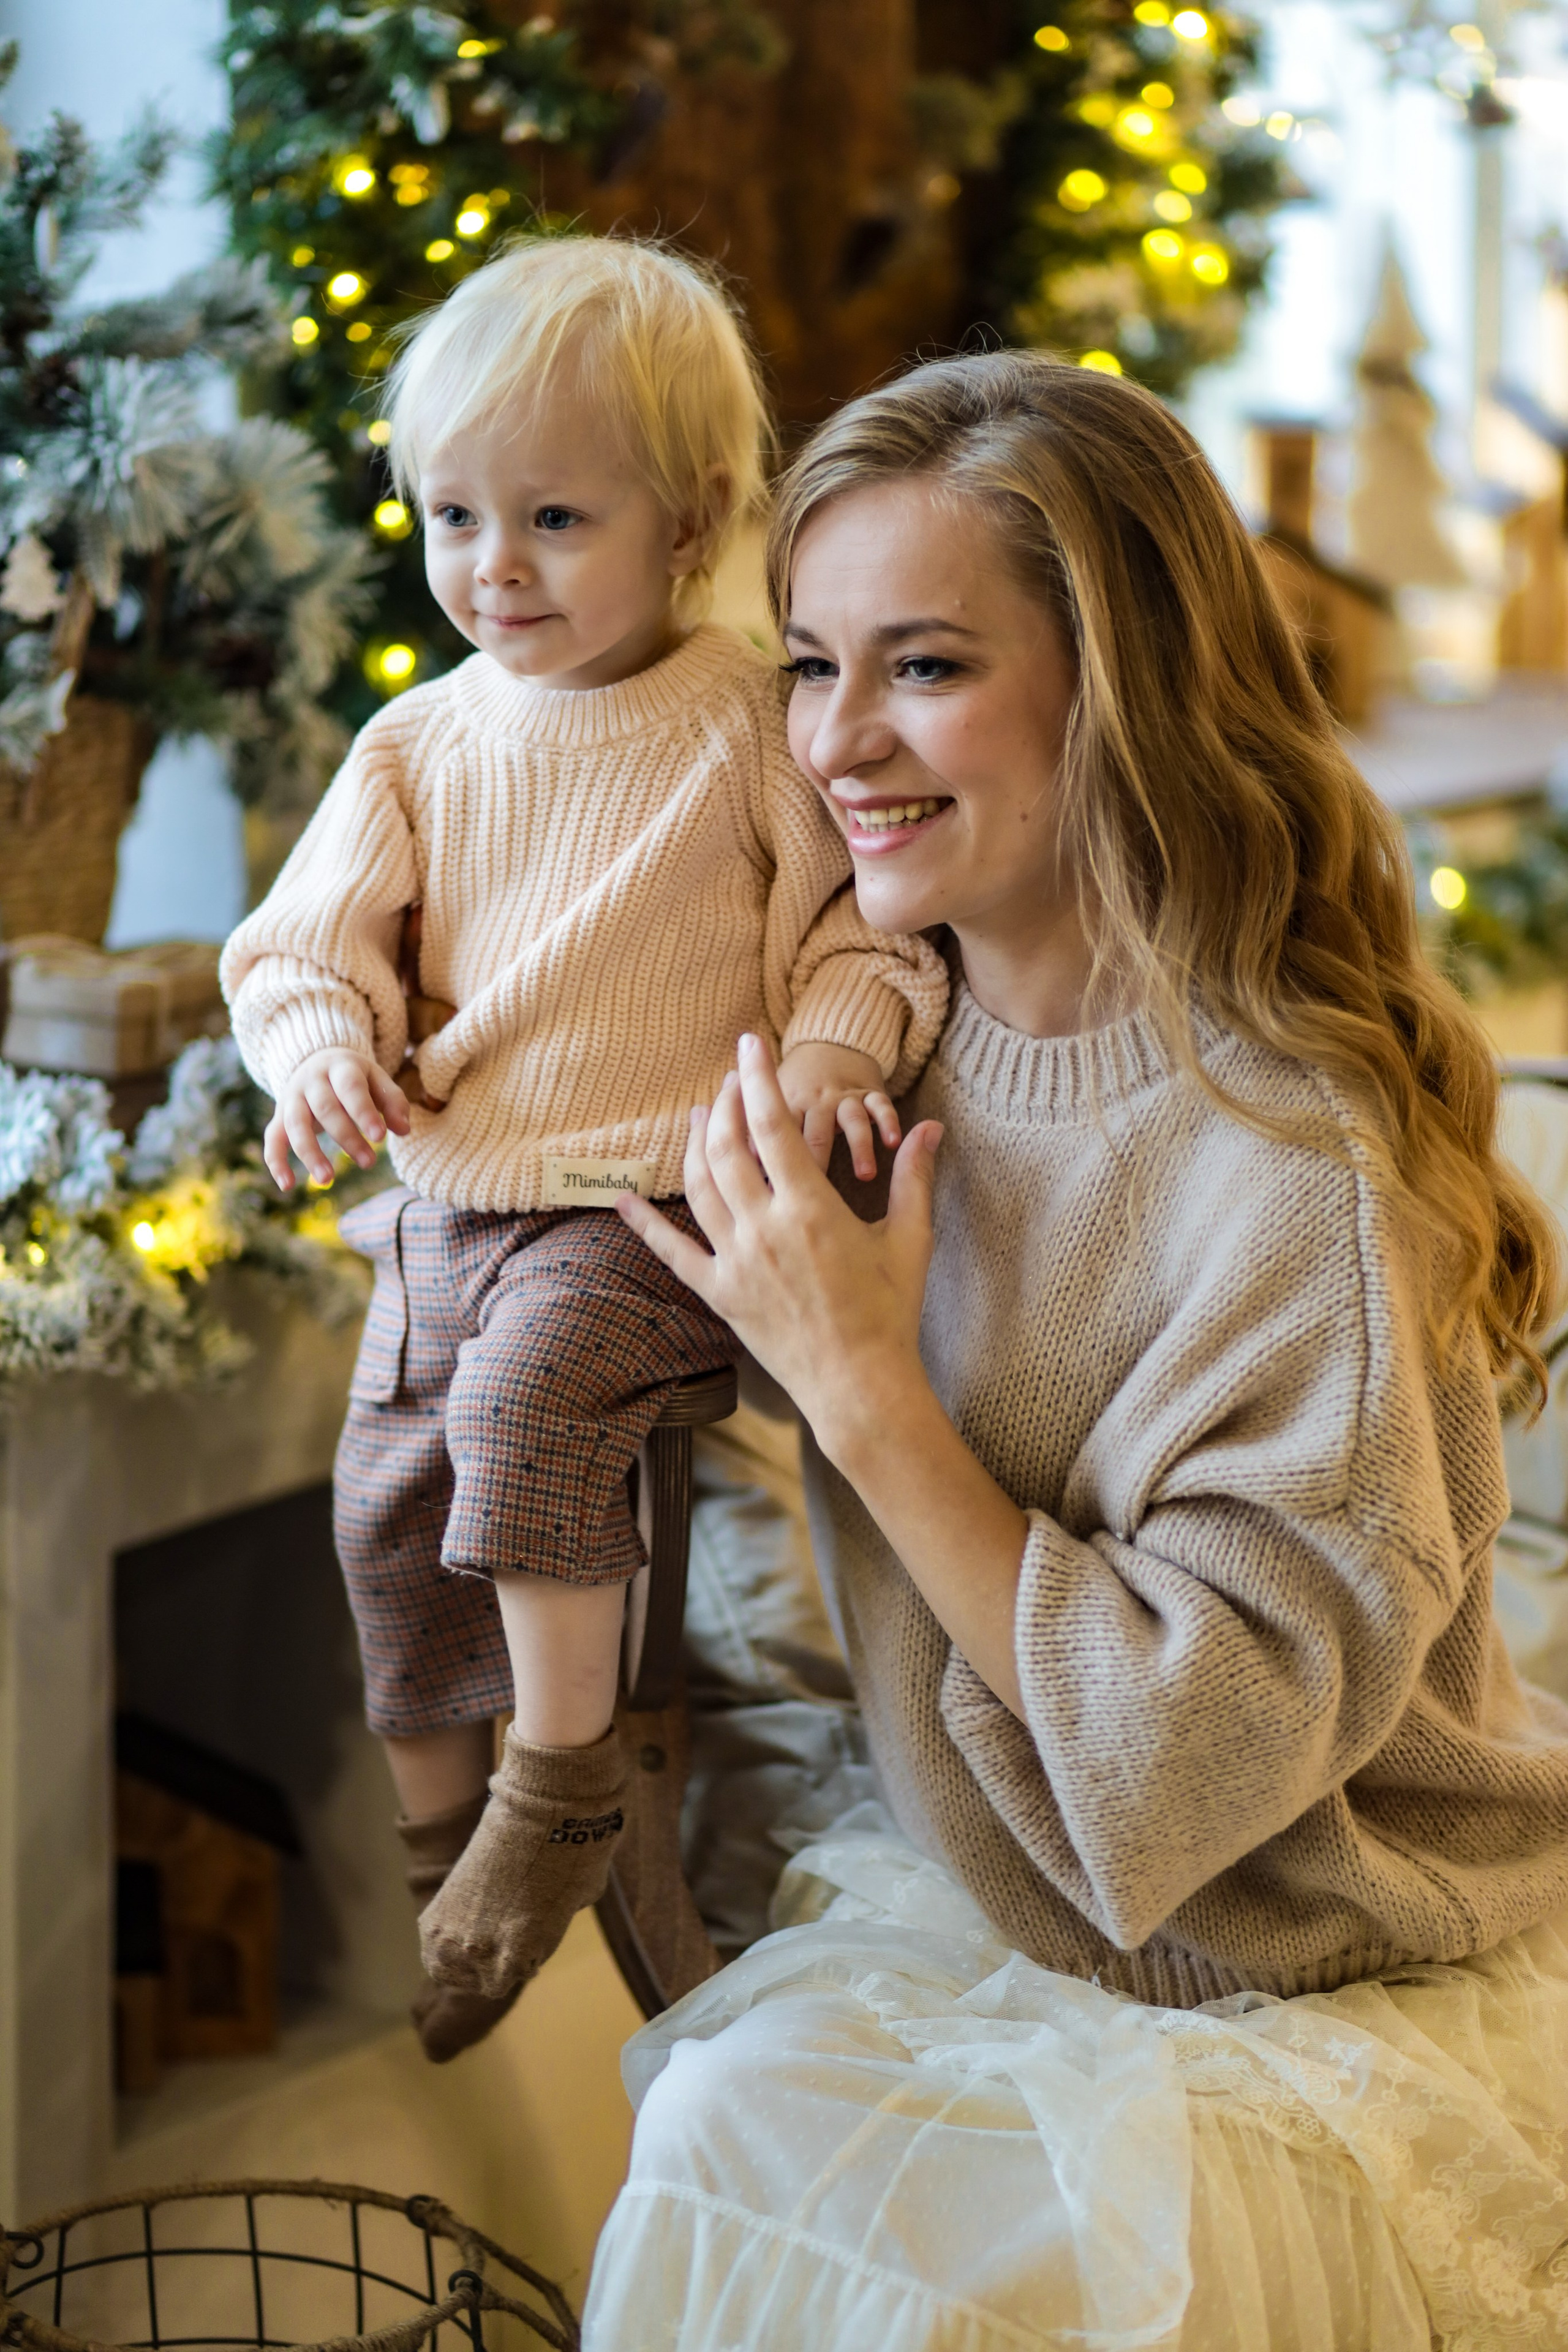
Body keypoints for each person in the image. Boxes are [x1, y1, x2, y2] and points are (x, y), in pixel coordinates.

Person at [589, 350, 1568, 2348]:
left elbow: (1171, 1775)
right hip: (1007, 1913)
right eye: (807, 663)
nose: (838, 742)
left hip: (1296, 1980)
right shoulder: (882, 1047)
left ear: (1120, 695)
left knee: (755, 2151)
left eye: (925, 666)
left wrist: (861, 1388)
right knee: (727, 2130)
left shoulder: (1303, 1178)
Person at [219, 236, 948, 2065]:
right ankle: (442, 1838)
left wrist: (844, 1051)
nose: (494, 568)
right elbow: (304, 948)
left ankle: (558, 1784)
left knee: (527, 1402)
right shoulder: (418, 744)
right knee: (383, 1505)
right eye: (453, 515)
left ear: (691, 515)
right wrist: (318, 1054)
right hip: (456, 1197)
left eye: (552, 517)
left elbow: (866, 931)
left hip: (661, 1202)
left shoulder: (739, 724)